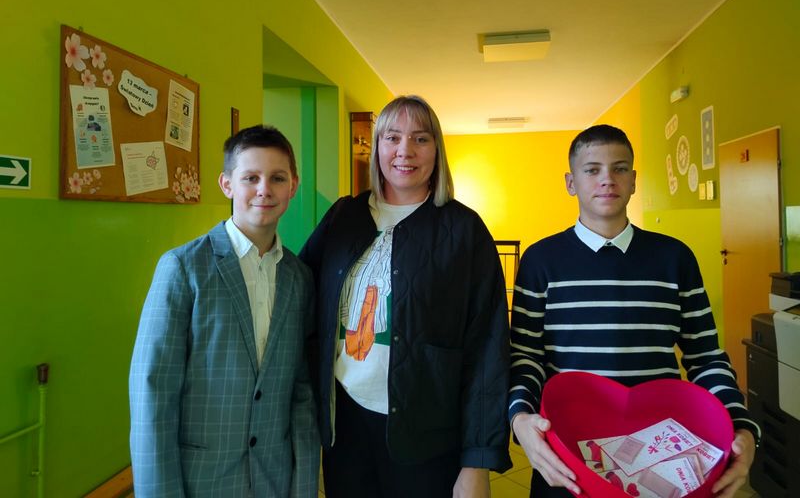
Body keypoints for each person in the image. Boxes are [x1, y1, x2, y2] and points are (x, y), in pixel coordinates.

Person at [508, 124, 759, 498]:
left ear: (634, 180)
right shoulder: (540, 261)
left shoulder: (674, 258)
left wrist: (740, 425)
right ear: (571, 183)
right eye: (592, 170)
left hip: (661, 455)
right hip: (568, 454)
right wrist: (520, 418)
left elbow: (705, 357)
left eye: (620, 168)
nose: (607, 179)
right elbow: (526, 357)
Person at [300, 95, 511, 498]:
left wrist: (477, 461)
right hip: (345, 424)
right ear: (377, 146)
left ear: (437, 150)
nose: (405, 151)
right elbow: (300, 293)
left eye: (421, 139)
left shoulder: (464, 230)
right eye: (392, 137)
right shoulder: (344, 215)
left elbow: (488, 349)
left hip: (427, 434)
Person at [129, 125, 319, 497]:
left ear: (293, 186)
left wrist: (304, 487)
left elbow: (301, 392)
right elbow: (152, 395)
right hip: (200, 481)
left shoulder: (300, 278)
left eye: (277, 178)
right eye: (251, 178)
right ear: (227, 184)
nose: (264, 189)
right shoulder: (183, 268)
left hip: (274, 480)